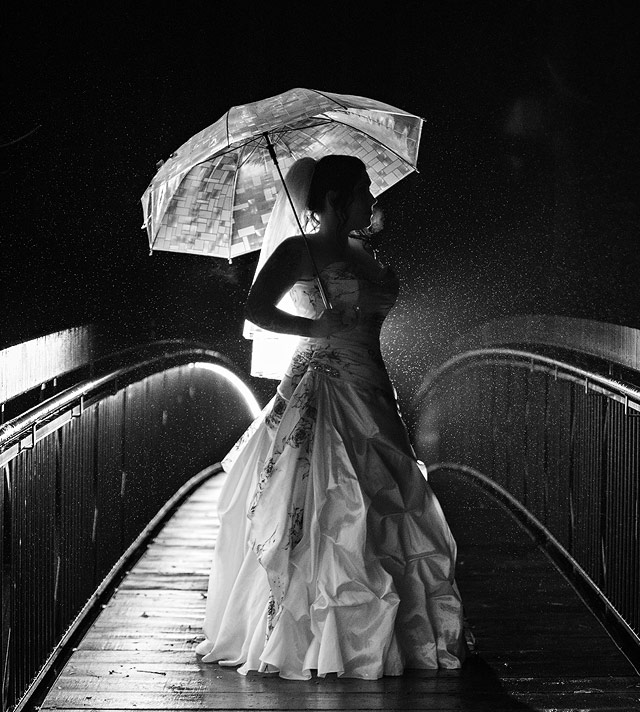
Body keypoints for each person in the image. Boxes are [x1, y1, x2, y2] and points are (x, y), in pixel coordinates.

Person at [196, 153, 468, 680]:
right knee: (329, 501)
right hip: (323, 383)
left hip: (371, 385)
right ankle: (320, 635)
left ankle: (386, 632)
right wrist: (313, 326)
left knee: (385, 495)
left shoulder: (361, 251)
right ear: (335, 200)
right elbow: (256, 308)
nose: (372, 198)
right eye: (364, 189)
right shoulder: (299, 251)